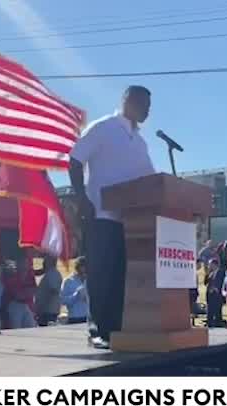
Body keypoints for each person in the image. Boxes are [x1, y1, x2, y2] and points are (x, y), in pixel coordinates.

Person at [68, 86, 156, 349]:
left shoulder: (140, 142)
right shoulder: (103, 128)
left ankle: (115, 331)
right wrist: (82, 197)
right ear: (128, 100)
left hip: (130, 222)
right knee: (101, 274)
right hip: (101, 213)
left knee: (120, 277)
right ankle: (97, 330)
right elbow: (74, 160)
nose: (149, 110)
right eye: (145, 104)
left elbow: (152, 180)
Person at [3, 256, 38, 329]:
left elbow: (34, 290)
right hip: (15, 304)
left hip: (26, 305)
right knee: (16, 327)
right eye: (23, 264)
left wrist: (26, 293)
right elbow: (17, 295)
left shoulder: (30, 276)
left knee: (31, 326)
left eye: (26, 264)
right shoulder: (12, 276)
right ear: (18, 265)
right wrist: (27, 292)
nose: (25, 266)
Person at [34, 255, 63, 327]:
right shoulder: (50, 273)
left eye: (45, 261)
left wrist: (42, 306)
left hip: (48, 311)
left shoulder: (52, 274)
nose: (43, 263)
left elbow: (53, 290)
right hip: (47, 310)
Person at [60, 256, 89, 324]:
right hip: (75, 318)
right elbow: (63, 300)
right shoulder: (68, 281)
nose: (84, 269)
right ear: (77, 267)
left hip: (89, 318)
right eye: (82, 266)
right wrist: (76, 295)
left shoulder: (91, 280)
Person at [205, 259, 226, 328]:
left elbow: (220, 282)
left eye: (210, 264)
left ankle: (218, 323)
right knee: (210, 309)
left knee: (217, 310)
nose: (209, 266)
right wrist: (207, 273)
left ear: (214, 264)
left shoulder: (221, 272)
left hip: (217, 295)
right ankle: (210, 323)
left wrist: (214, 288)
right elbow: (205, 283)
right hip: (210, 295)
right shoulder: (211, 273)